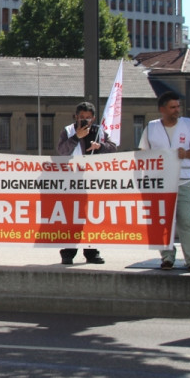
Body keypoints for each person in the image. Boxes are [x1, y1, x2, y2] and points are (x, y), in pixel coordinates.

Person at [138, 92, 190, 273]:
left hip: (183, 181)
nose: (177, 110)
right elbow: (142, 153)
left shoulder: (187, 125)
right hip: (160, 183)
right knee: (163, 222)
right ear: (162, 109)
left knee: (186, 220)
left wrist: (187, 154)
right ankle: (167, 258)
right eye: (172, 107)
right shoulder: (151, 128)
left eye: (178, 107)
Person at [56, 101, 118, 265]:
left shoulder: (100, 132)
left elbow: (113, 148)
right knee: (72, 217)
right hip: (72, 180)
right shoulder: (68, 131)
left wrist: (101, 146)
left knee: (91, 217)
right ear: (76, 117)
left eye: (88, 118)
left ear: (93, 118)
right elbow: (61, 151)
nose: (84, 120)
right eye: (81, 117)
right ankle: (68, 251)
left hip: (93, 181)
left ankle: (91, 252)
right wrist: (77, 137)